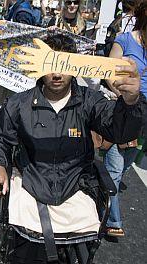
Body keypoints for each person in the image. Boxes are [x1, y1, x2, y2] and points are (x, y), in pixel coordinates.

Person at [0, 34, 145, 263]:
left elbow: (120, 132)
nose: (57, 74)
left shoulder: (90, 101)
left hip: (74, 186)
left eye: (63, 65)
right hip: (32, 183)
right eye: (50, 65)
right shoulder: (19, 103)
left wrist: (130, 103)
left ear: (74, 65)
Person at [102, 0, 147, 237]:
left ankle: (100, 191)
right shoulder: (126, 40)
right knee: (115, 169)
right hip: (127, 109)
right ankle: (113, 219)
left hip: (146, 120)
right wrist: (126, 96)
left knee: (125, 165)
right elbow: (110, 74)